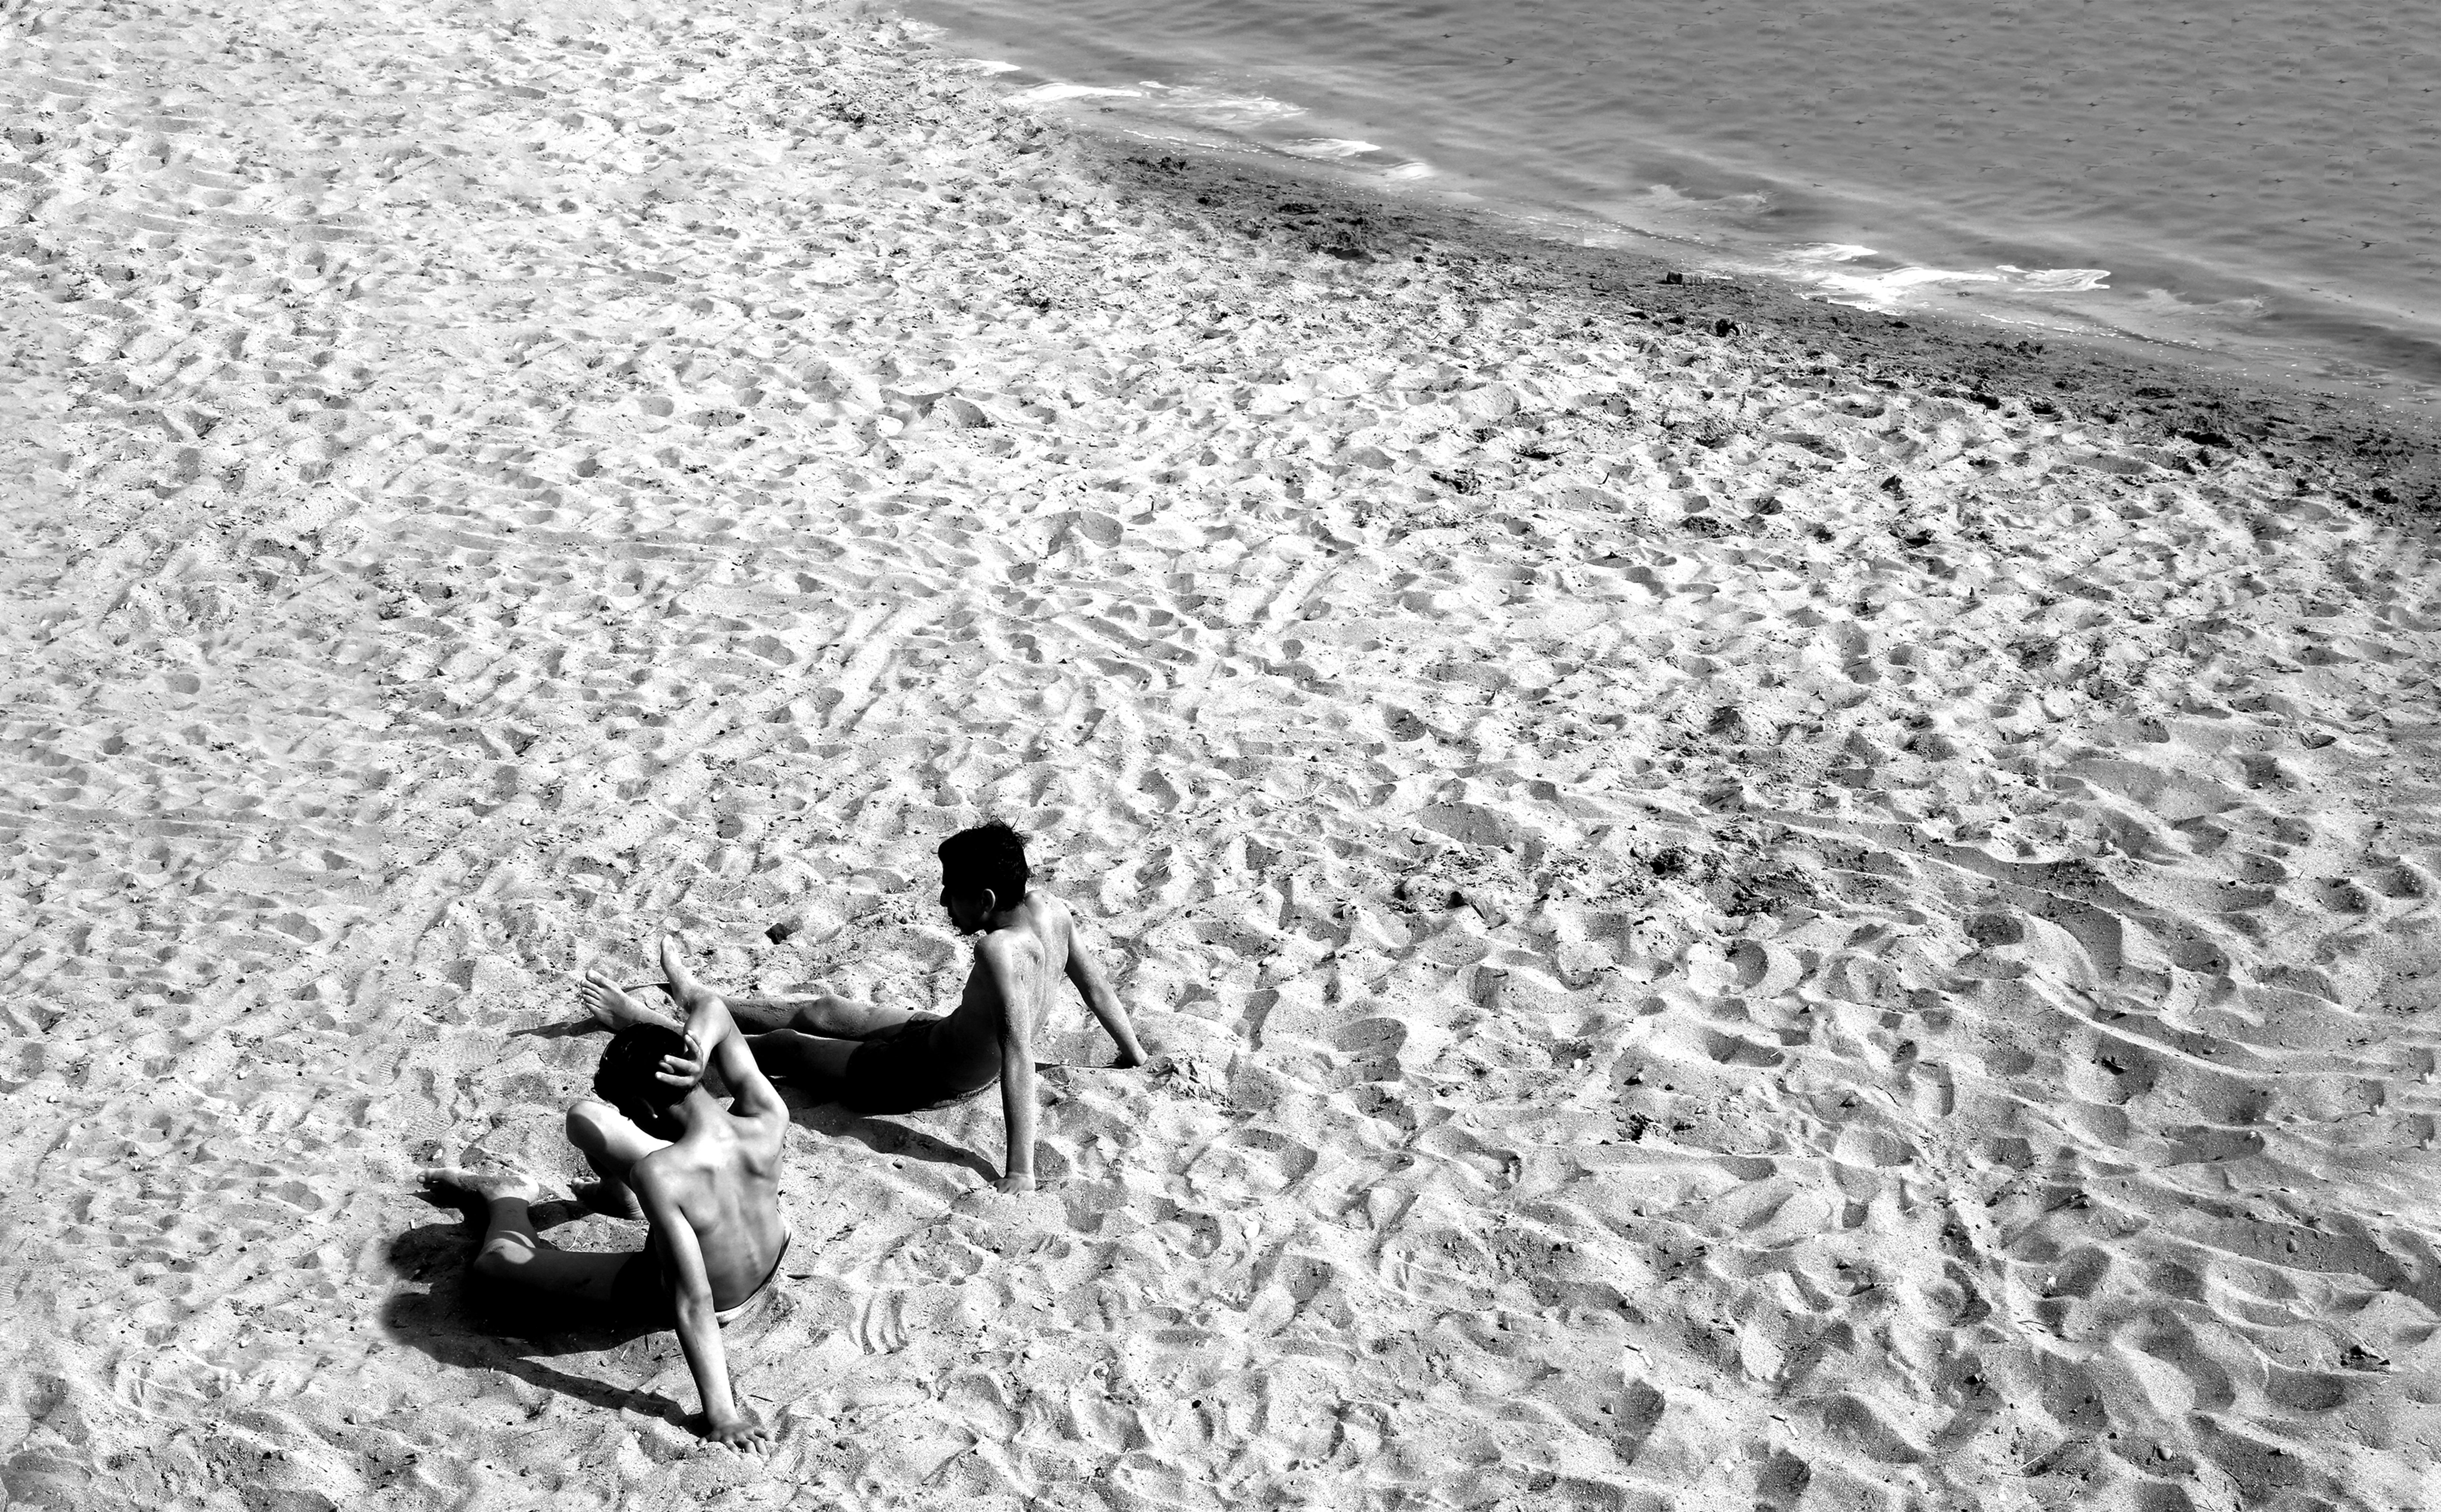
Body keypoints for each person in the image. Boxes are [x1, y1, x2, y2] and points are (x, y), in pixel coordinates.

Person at [580, 821, 1147, 1193]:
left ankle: (643, 1024)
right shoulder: (1052, 912)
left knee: (784, 1050)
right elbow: (1096, 991)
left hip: (921, 1076)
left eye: (951, 892)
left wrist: (1019, 1171)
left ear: (986, 901)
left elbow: (1018, 1054)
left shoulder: (999, 950)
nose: (942, 901)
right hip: (935, 1035)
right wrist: (1134, 1053)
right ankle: (699, 1000)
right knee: (822, 1010)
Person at [426, 936, 791, 1451]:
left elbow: (692, 1298)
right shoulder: (765, 1116)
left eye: (625, 1107)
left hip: (713, 1294)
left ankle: (505, 1196)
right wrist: (699, 1048)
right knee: (586, 1121)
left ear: (644, 1103)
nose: (626, 1117)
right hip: (769, 1254)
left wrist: (723, 1414)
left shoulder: (662, 1174)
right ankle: (612, 1199)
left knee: (496, 1268)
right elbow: (712, 1009)